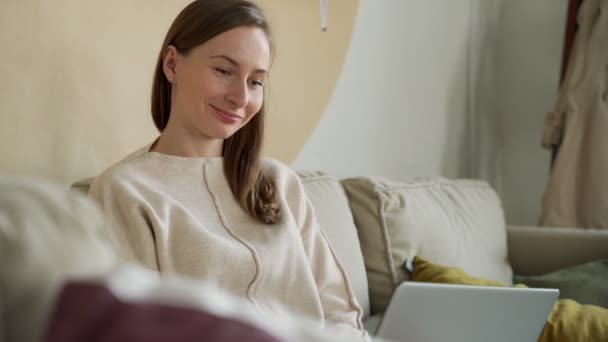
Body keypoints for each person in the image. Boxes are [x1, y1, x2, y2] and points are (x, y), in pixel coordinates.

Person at [88, 0, 368, 340]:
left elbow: (341, 313)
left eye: (256, 82)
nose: (240, 97)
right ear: (172, 64)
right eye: (224, 71)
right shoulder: (126, 190)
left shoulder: (280, 184)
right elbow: (142, 329)